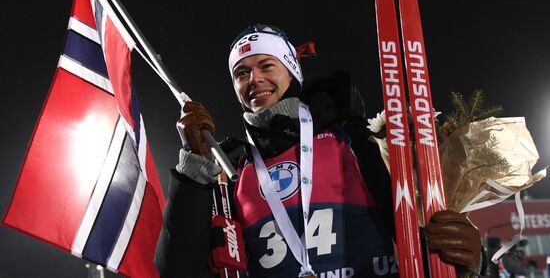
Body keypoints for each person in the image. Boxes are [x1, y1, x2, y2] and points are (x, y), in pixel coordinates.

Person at [154, 24, 485, 277]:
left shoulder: (355, 142)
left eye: (266, 65)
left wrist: (471, 261)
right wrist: (194, 165)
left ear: (292, 70)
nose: (253, 78)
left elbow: (424, 236)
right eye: (242, 72)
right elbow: (178, 270)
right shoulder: (233, 172)